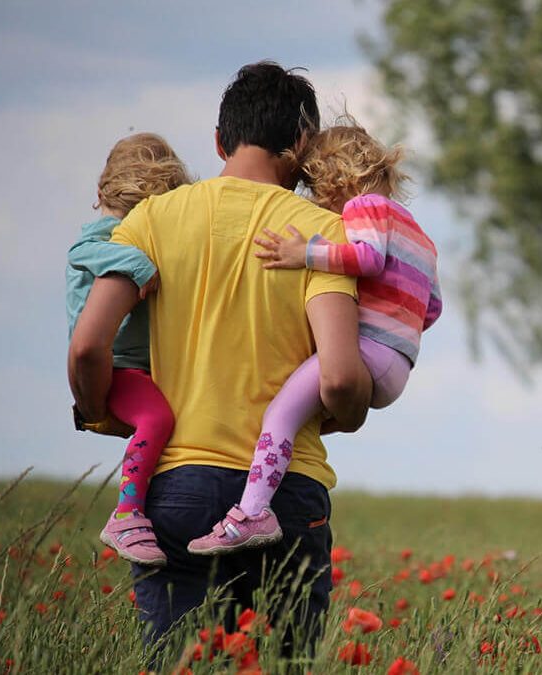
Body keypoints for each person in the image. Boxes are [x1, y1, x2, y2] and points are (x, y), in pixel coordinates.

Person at [68, 61, 372, 647]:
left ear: (218, 140)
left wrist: (99, 409)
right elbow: (338, 378)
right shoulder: (322, 234)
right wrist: (351, 411)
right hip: (286, 494)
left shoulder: (149, 220)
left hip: (176, 488)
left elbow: (87, 345)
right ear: (303, 144)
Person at [188, 122, 442, 554]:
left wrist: (303, 253)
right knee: (302, 413)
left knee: (280, 414)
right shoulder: (420, 234)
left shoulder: (365, 207)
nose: (317, 201)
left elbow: (366, 257)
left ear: (335, 178)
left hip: (368, 351)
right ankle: (266, 490)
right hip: (399, 364)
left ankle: (252, 512)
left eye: (315, 187)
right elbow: (432, 307)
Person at [66, 133, 191, 566]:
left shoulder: (128, 231)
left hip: (136, 367)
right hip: (117, 366)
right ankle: (127, 513)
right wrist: (139, 264)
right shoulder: (107, 236)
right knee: (157, 417)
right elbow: (83, 251)